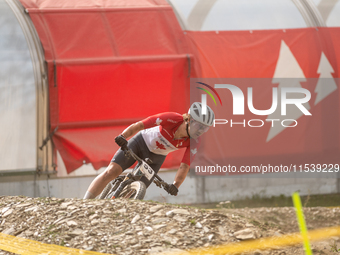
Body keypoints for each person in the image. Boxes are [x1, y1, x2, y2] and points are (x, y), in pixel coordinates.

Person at [83, 102, 215, 199]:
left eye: (206, 128)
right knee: (111, 172)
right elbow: (140, 125)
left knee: (139, 188)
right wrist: (124, 136)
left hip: (156, 158)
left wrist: (176, 185)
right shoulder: (172, 119)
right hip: (140, 143)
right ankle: (85, 204)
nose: (201, 131)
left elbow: (185, 165)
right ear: (189, 120)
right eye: (200, 126)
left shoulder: (195, 141)